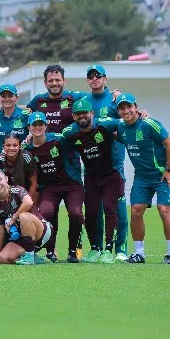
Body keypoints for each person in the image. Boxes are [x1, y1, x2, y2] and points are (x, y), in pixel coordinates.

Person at [114, 94, 170, 264]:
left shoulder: (149, 123)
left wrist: (169, 170)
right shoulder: (120, 127)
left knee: (164, 210)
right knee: (136, 210)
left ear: (136, 107)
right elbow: (111, 133)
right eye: (122, 108)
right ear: (119, 111)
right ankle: (139, 253)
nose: (126, 111)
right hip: (142, 176)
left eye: (129, 106)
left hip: (162, 173)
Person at [61, 99, 123, 263]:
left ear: (92, 114)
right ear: (74, 116)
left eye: (85, 113)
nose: (82, 116)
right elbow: (55, 139)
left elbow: (126, 123)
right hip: (91, 177)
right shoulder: (70, 132)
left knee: (110, 209)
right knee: (91, 213)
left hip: (111, 175)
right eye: (78, 114)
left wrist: (142, 116)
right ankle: (95, 248)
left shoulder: (105, 125)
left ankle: (109, 249)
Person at [24, 111, 85, 263]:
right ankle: (50, 251)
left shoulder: (59, 140)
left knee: (76, 213)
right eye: (34, 125)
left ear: (46, 126)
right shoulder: (27, 149)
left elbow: (78, 137)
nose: (38, 127)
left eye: (40, 124)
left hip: (72, 184)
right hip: (50, 187)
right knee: (46, 212)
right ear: (29, 128)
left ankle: (74, 251)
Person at [82, 63, 129, 260]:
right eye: (91, 76)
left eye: (98, 76)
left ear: (105, 79)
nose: (95, 79)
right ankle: (97, 248)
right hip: (93, 165)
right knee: (95, 210)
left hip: (114, 164)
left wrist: (143, 113)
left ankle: (120, 249)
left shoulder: (114, 99)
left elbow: (129, 115)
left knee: (117, 208)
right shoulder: (83, 100)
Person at [0, 169, 52, 265]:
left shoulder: (16, 190)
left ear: (6, 179)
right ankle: (37, 259)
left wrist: (14, 218)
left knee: (23, 217)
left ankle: (29, 256)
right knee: (3, 258)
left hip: (40, 231)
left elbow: (29, 202)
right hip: (21, 238)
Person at [26, 65, 88, 134]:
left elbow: (95, 97)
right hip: (47, 143)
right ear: (45, 83)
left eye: (57, 80)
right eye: (50, 81)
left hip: (69, 143)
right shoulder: (38, 100)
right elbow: (25, 113)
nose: (54, 83)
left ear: (64, 81)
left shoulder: (75, 96)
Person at [0, 84, 30, 151]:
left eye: (10, 96)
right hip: (1, 159)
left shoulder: (25, 115)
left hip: (22, 158)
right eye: (3, 96)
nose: (7, 99)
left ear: (16, 97)